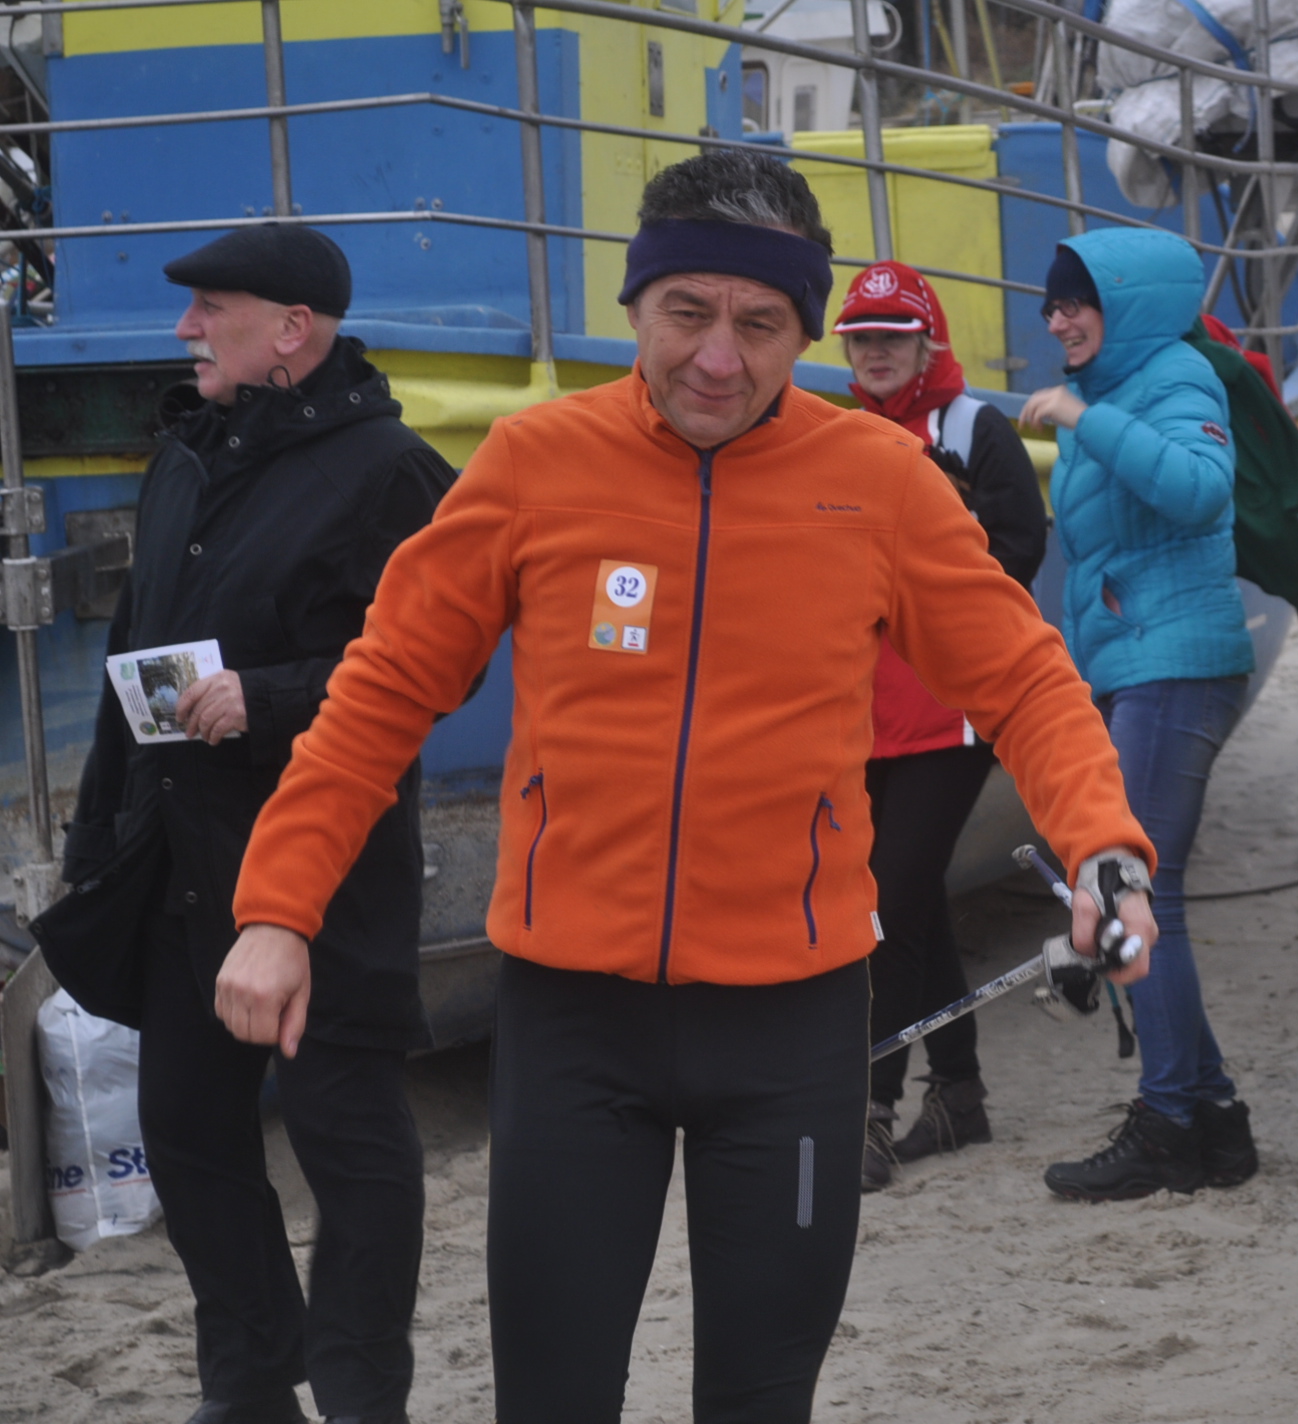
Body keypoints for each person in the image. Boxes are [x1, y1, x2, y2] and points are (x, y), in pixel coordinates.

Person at [214, 149, 1160, 1424]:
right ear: (634, 306)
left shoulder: (879, 483)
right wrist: (278, 908)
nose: (718, 357)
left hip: (792, 1023)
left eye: (759, 323)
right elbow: (381, 690)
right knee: (552, 1398)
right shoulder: (535, 463)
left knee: (760, 1398)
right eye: (687, 312)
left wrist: (1102, 844)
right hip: (572, 1018)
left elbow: (1025, 679)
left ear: (804, 332)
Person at [61, 225, 456, 1424]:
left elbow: (441, 667)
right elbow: (130, 654)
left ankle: (361, 1394)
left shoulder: (392, 471)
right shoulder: (184, 455)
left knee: (349, 1143)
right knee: (185, 1132)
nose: (185, 328)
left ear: (292, 329)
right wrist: (97, 842)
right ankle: (249, 1384)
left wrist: (271, 694)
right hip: (182, 865)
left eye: (210, 308)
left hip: (327, 872)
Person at [1018, 228, 1261, 1203]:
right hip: (1134, 666)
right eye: (1050, 304)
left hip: (1176, 665)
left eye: (1075, 301)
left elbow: (1200, 492)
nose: (1056, 320)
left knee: (1137, 896)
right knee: (1136, 891)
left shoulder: (1173, 378)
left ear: (1127, 303)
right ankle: (1213, 1118)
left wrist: (1085, 416)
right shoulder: (1116, 392)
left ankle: (1167, 1122)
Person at [834, 260, 1049, 1190]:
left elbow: (1022, 552)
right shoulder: (840, 435)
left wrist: (952, 531)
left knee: (885, 904)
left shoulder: (974, 427)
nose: (876, 352)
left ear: (928, 343)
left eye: (894, 336)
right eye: (861, 338)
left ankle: (872, 1114)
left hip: (950, 712)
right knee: (909, 899)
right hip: (865, 713)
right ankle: (959, 1094)